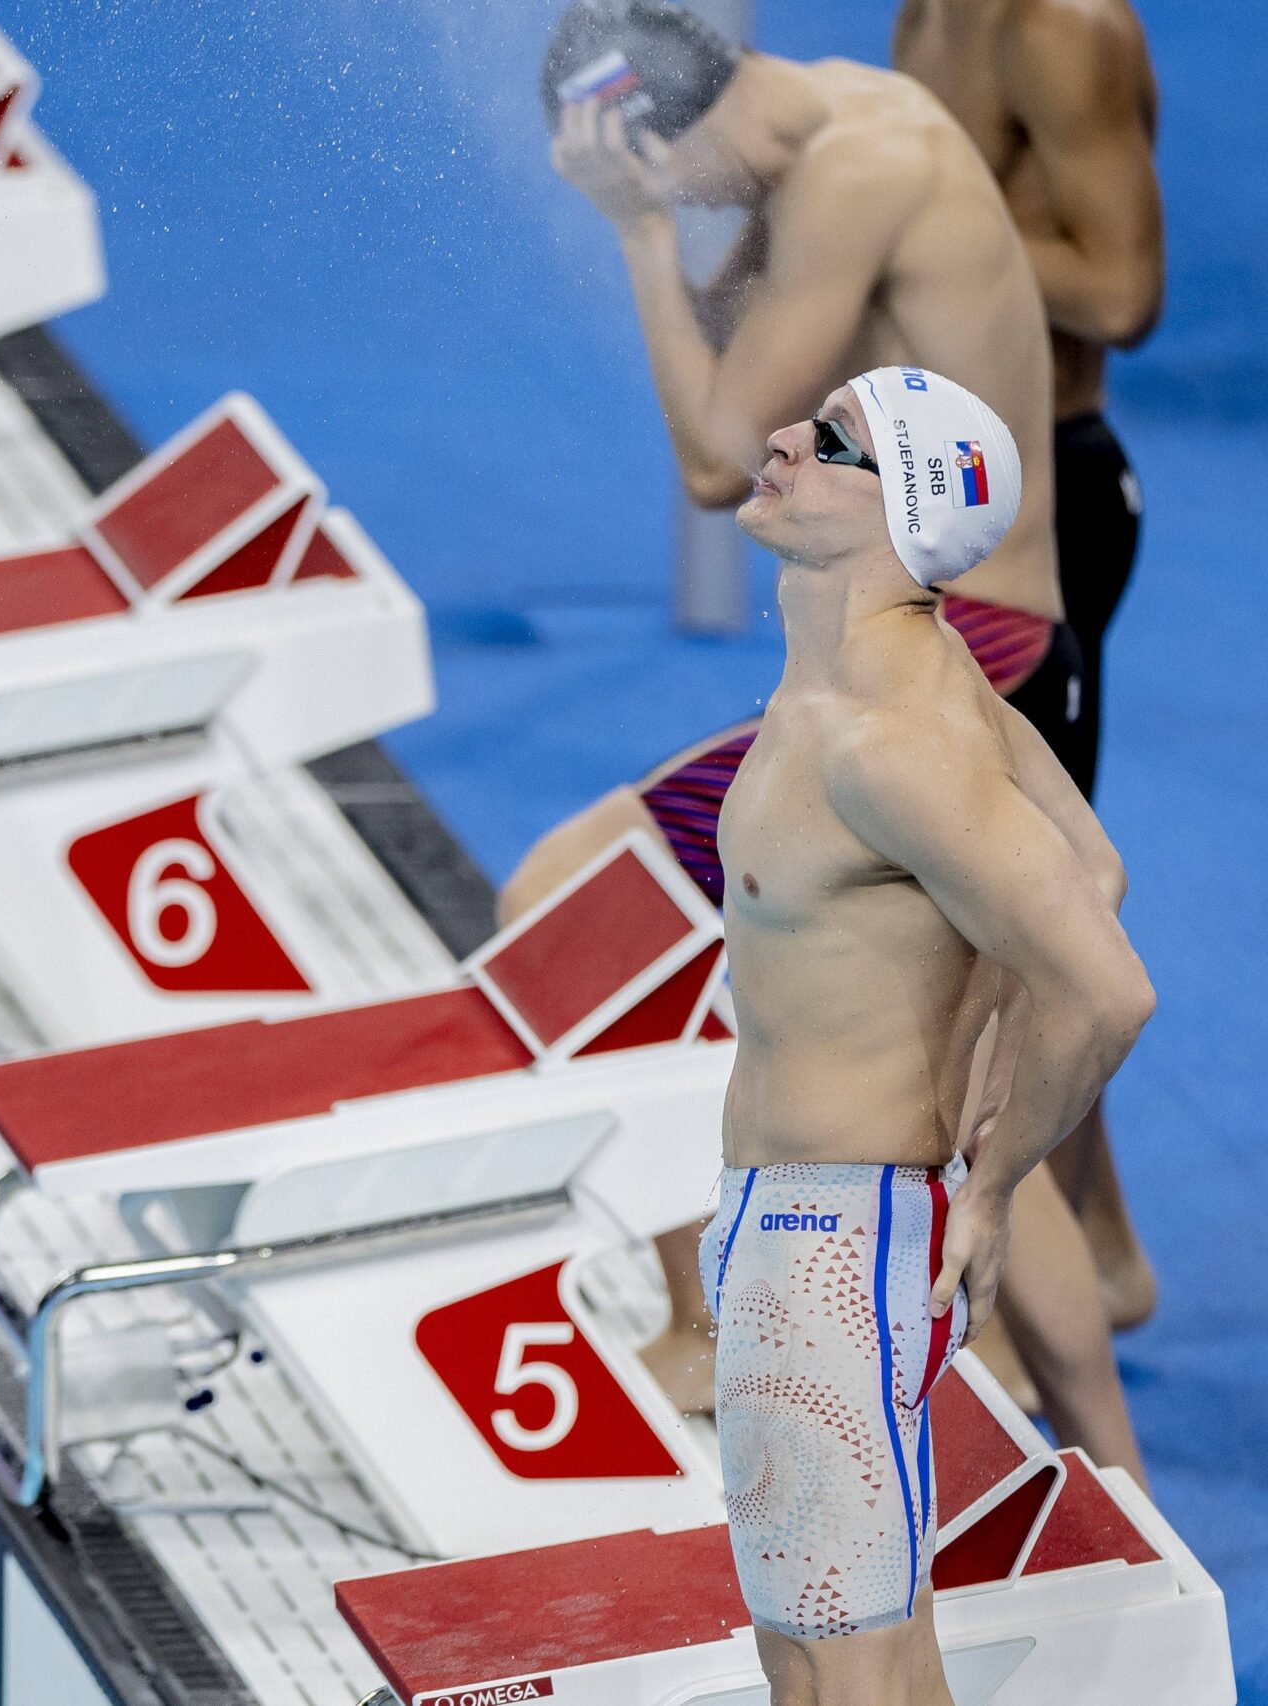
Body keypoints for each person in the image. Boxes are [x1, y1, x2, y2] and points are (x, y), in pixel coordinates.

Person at [527, 0, 1146, 1478]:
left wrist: (637, 238)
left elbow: (714, 455)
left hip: (964, 638)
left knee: (570, 895)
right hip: (994, 638)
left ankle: (713, 1331)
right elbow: (745, 374)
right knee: (975, 1079)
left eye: (653, 176)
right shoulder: (832, 127)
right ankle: (1103, 1451)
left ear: (660, 138)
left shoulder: (852, 170)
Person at [699, 368, 1153, 1700]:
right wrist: (984, 1076)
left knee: (839, 1672)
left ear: (903, 513)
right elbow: (1092, 866)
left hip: (826, 1241)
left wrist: (996, 1180)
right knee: (849, 1653)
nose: (784, 438)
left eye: (832, 443)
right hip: (823, 1229)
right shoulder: (913, 682)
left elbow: (1106, 986)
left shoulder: (885, 745)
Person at [894, 0, 1166, 1332]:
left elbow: (1121, 291)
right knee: (986, 907)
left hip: (1045, 508)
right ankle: (1098, 1247)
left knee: (1001, 919)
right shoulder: (926, 10)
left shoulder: (1059, 25)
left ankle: (1045, 1278)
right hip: (946, 499)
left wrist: (911, 217)